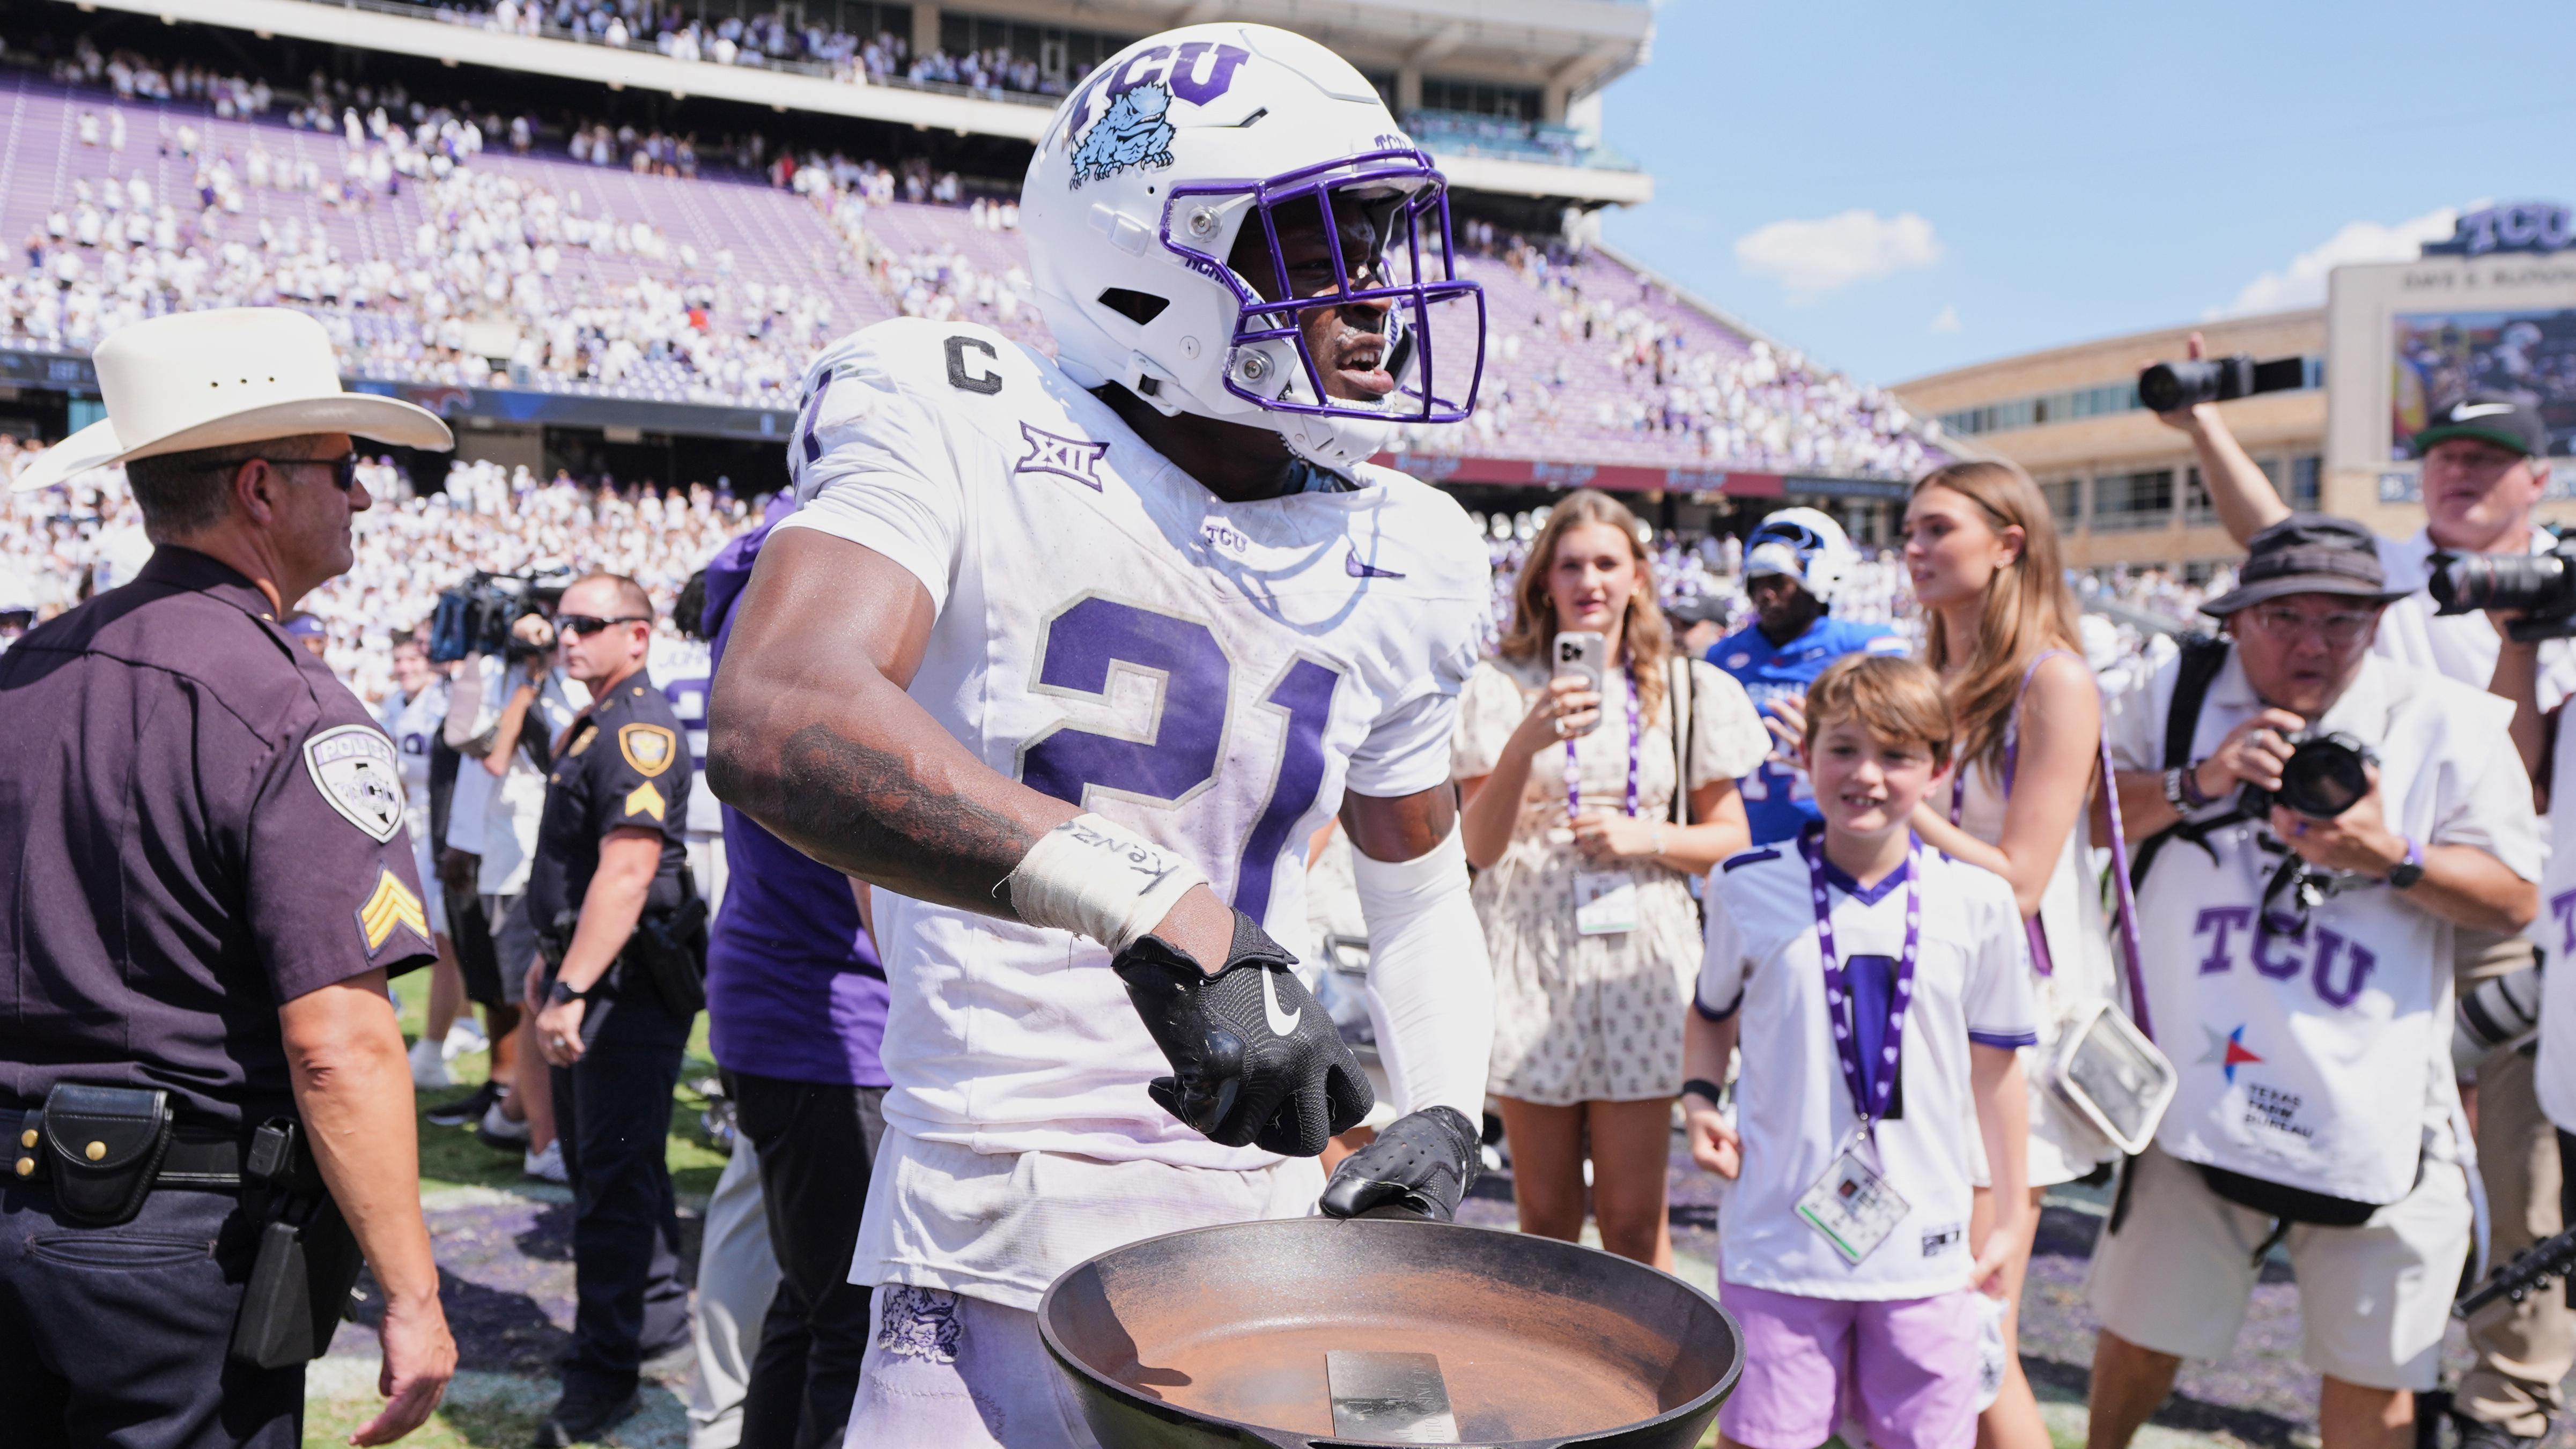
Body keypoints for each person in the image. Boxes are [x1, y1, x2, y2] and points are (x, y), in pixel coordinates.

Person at [709, 25, 1499, 1446]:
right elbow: (780, 709)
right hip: (986, 1220)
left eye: (1378, 244)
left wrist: (1442, 1104)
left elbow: (1418, 886)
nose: (1375, 298)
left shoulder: (1413, 544)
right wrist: (1158, 907)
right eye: (1322, 247)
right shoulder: (959, 410)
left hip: (1282, 1206)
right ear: (1157, 257)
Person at [0, 306, 457, 1446]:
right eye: (345, 469)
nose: (360, 496)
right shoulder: (287, 706)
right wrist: (412, 1293)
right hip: (175, 1241)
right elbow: (338, 1040)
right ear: (260, 487)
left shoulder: (24, 672)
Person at [2182, 356, 2576, 1449]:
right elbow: (2264, 532)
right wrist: (2201, 421)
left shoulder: (2554, 584)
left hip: (2491, 901)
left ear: (2535, 478)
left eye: (2487, 459)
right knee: (2354, 1138)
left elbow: (2529, 779)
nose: (2460, 472)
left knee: (2518, 1169)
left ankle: (2506, 1398)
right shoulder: (2391, 568)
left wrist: (2528, 634)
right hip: (2360, 896)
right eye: (2445, 453)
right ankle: (2366, 1356)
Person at [2091, 515, 2541, 1449]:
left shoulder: (2444, 720)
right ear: (2236, 616)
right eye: (2284, 616)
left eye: (2343, 620)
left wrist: (2392, 856)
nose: (2311, 642)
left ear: (2379, 621)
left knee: (2377, 1373)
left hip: (2376, 1113)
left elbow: (2510, 902)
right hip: (2192, 1089)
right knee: (2137, 1339)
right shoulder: (2168, 692)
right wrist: (2198, 780)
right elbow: (2077, 815)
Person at [1685, 653, 2034, 1449]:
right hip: (1778, 1237)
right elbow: (1708, 1014)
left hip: (1926, 1246)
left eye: (1896, 755)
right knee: (1764, 1437)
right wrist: (1699, 1098)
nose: (1865, 775)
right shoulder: (1744, 884)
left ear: (1938, 769)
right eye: (1842, 748)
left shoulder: (1977, 902)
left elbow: (1996, 1071)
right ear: (1804, 754)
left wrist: (2011, 1214)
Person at [1453, 489, 1767, 1265]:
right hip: (1531, 956)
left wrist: (1646, 834)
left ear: (1638, 575)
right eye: (1569, 565)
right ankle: (1549, 1383)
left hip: (1640, 957)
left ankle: (1647, 1389)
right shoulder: (1497, 685)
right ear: (1541, 580)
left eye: (1605, 562)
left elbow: (1731, 839)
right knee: (1547, 1218)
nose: (1588, 581)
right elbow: (1477, 846)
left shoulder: (1690, 687)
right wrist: (1525, 743)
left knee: (1632, 1224)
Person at [1901, 460, 2122, 1449]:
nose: (1912, 548)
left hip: (1998, 1029)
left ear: (2008, 542)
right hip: (1912, 1007)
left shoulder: (2052, 677)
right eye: (1906, 529)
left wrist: (1892, 799)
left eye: (1935, 529)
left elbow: (2022, 877)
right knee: (1921, 1302)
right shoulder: (1928, 673)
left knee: (1972, 1322)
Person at [701, 498, 891, 1449]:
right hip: (831, 1011)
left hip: (794, 999)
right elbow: (860, 819)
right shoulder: (837, 569)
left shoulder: (768, 579)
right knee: (851, 1322)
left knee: (811, 1300)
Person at [521, 572, 702, 1446]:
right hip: (596, 972)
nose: (569, 636)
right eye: (563, 622)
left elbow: (628, 870)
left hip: (623, 985)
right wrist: (552, 966)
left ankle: (604, 1373)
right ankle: (656, 1318)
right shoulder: (596, 717)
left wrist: (572, 987)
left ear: (639, 634)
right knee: (622, 1171)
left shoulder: (635, 726)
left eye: (589, 623)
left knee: (608, 1184)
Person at [451, 607, 583, 1180]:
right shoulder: (486, 676)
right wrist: (523, 679)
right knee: (532, 1004)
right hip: (512, 861)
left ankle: (512, 1116)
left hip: (557, 857)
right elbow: (482, 748)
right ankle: (540, 1141)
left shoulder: (571, 677)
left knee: (546, 999)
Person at [1706, 508, 1906, 847]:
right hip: (1745, 837)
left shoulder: (1866, 647)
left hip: (1836, 839)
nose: (1765, 594)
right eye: (1758, 582)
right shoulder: (1723, 656)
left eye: (1779, 581)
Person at [382, 632, 471, 1089]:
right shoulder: (395, 705)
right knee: (442, 936)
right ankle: (460, 1025)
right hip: (414, 830)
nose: (405, 666)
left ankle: (438, 1045)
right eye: (398, 658)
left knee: (447, 939)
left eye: (412, 657)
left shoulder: (444, 698)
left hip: (445, 830)